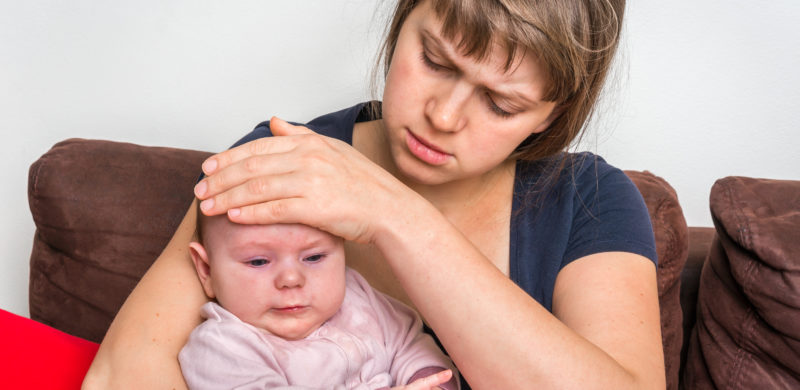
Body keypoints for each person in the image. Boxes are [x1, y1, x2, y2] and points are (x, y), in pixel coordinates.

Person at [84, 0, 666, 389]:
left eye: (500, 103)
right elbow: (120, 372)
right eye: (435, 60)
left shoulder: (590, 199)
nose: (443, 115)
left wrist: (395, 214)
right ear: (402, 18)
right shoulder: (283, 157)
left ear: (550, 114)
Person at [178, 212, 458, 389]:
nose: (291, 279)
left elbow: (407, 343)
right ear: (207, 270)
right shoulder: (222, 346)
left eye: (313, 257)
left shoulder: (357, 295)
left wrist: (428, 379)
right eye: (259, 261)